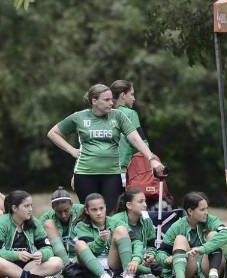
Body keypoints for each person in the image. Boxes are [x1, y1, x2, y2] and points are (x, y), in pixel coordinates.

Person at [47, 83, 163, 212]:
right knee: (90, 214)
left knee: (109, 215)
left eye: (111, 99)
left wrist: (151, 158)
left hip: (111, 174)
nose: (111, 103)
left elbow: (136, 139)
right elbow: (53, 133)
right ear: (94, 101)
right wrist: (72, 150)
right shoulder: (79, 117)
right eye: (106, 100)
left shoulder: (118, 116)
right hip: (85, 173)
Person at [0, 189, 64, 278]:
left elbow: (48, 249)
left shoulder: (34, 222)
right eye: (26, 206)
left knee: (57, 261)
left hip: (28, 267)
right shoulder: (1, 223)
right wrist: (16, 255)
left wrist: (41, 254)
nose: (30, 209)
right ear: (14, 208)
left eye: (31, 205)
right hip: (5, 267)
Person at [162, 191, 227, 278]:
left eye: (207, 209)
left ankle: (213, 276)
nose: (206, 212)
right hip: (189, 268)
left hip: (208, 267)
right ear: (190, 211)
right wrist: (166, 258)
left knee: (213, 235)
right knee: (180, 238)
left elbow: (225, 234)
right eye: (202, 210)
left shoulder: (211, 220)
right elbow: (161, 251)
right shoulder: (177, 226)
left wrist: (203, 249)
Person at [104, 189, 159, 278]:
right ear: (129, 205)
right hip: (116, 261)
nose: (145, 205)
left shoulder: (147, 220)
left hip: (137, 259)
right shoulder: (116, 220)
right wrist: (137, 259)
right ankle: (130, 273)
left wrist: (150, 255)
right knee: (157, 270)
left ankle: (140, 272)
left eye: (145, 201)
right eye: (140, 201)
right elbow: (135, 243)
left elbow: (151, 245)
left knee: (159, 263)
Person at [69, 193, 121, 278]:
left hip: (111, 262)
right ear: (87, 211)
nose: (99, 212)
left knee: (121, 230)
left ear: (106, 207)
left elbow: (133, 243)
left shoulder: (116, 222)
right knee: (79, 244)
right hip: (90, 263)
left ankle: (127, 275)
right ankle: (103, 276)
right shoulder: (81, 226)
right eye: (94, 209)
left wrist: (137, 259)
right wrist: (101, 240)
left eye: (101, 208)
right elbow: (93, 251)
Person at [110, 80, 149, 183]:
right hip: (124, 169)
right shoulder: (130, 113)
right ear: (123, 95)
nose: (134, 98)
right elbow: (141, 142)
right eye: (131, 94)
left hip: (104, 169)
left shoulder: (106, 114)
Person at [38, 187, 83, 267]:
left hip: (79, 255)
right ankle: (67, 266)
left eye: (66, 210)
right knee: (48, 223)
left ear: (71, 204)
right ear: (53, 208)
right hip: (57, 259)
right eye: (59, 212)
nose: (63, 215)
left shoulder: (82, 210)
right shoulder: (46, 217)